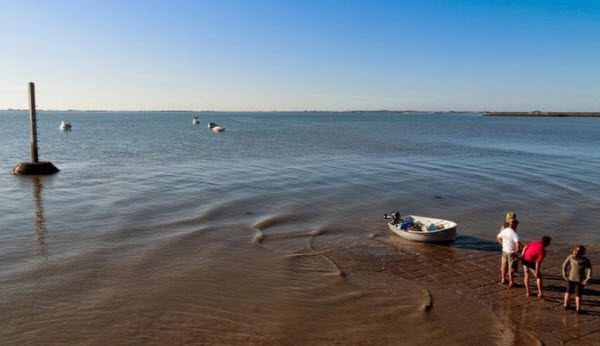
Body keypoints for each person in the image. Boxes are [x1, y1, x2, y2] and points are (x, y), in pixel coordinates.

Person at [562, 246, 593, 313]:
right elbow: (589, 269)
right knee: (578, 294)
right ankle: (578, 309)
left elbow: (564, 265)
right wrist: (587, 278)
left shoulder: (571, 257)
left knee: (568, 292)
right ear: (583, 252)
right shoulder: (585, 260)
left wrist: (564, 274)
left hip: (570, 277)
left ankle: (566, 305)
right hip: (580, 279)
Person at [497, 218, 522, 288]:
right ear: (513, 224)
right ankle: (511, 282)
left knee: (504, 265)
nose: (517, 225)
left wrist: (502, 244)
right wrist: (518, 250)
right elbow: (517, 242)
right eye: (516, 224)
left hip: (504, 251)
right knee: (511, 268)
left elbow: (498, 237)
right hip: (512, 252)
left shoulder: (504, 230)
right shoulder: (514, 233)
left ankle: (503, 279)